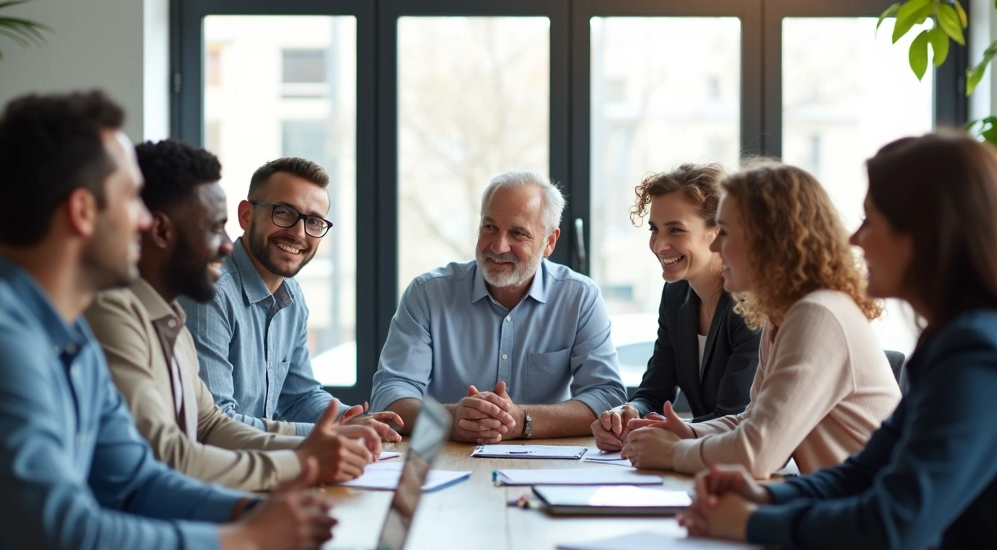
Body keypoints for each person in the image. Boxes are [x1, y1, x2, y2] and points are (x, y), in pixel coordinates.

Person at [0, 92, 342, 550]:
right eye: (131, 198)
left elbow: (134, 481)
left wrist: (251, 514)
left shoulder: (67, 332)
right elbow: (74, 547)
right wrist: (245, 541)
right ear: (82, 212)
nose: (145, 218)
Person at [679, 132, 997, 550]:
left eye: (871, 220)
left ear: (925, 235)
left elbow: (893, 525)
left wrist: (754, 524)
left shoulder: (983, 353)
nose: (856, 240)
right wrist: (769, 495)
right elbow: (866, 472)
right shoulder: (950, 342)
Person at [84, 140, 380, 491]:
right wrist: (305, 457)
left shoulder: (171, 316)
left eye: (314, 222)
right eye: (213, 228)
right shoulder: (127, 311)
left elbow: (210, 423)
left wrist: (337, 431)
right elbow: (172, 455)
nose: (226, 245)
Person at [620, 161, 899, 477]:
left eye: (724, 232)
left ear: (768, 239)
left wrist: (673, 452)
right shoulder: (785, 315)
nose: (714, 245)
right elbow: (751, 421)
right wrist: (686, 432)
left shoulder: (818, 314)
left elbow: (760, 453)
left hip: (866, 512)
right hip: (837, 501)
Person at [371, 170, 625, 442]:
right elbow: (390, 393)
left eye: (518, 233)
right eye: (490, 227)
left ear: (549, 242)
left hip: (546, 465)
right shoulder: (427, 293)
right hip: (446, 459)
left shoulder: (580, 297)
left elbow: (606, 397)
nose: (499, 245)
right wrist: (452, 419)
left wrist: (523, 421)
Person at [180, 157, 401, 439]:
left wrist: (356, 419)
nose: (298, 234)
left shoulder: (292, 297)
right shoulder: (211, 293)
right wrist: (333, 432)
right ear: (246, 215)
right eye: (284, 213)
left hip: (262, 468)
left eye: (313, 221)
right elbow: (215, 425)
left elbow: (299, 398)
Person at [590, 164, 759, 452]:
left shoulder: (752, 302)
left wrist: (653, 431)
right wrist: (628, 413)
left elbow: (734, 416)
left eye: (676, 230)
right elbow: (654, 391)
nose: (659, 245)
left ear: (718, 232)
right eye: (655, 229)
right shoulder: (676, 294)